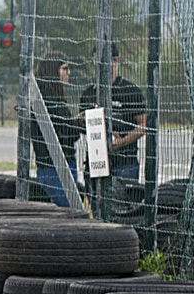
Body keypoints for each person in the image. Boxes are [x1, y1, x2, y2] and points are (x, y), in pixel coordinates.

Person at [77, 41, 148, 212]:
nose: (99, 66)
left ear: (115, 61)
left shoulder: (130, 90)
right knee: (97, 211)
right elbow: (83, 127)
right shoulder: (89, 92)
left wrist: (122, 141)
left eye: (104, 61)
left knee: (123, 212)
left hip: (124, 164)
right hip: (96, 164)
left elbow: (143, 125)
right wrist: (81, 122)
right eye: (96, 61)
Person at [29, 51, 82, 207]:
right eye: (64, 69)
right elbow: (71, 132)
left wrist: (73, 123)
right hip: (57, 168)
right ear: (54, 71)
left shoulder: (44, 97)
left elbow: (64, 128)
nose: (69, 73)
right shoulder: (50, 100)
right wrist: (75, 125)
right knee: (69, 213)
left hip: (51, 167)